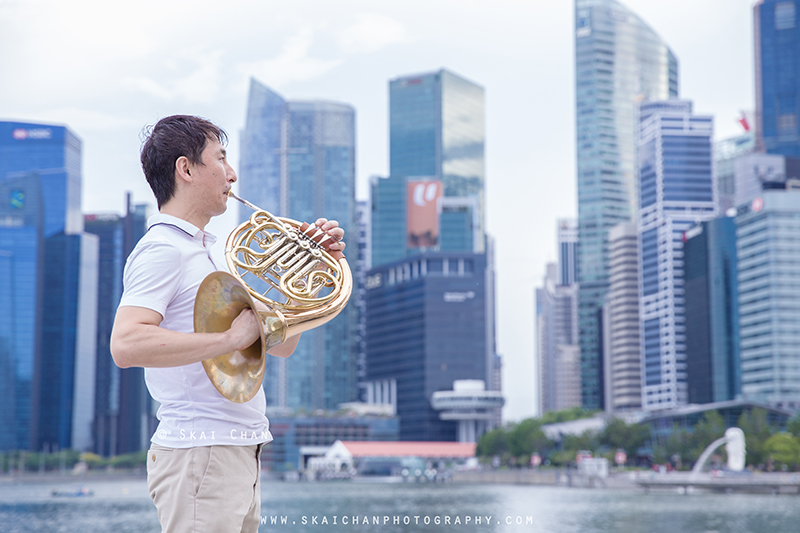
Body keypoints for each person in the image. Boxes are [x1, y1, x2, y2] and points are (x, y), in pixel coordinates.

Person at [109, 115, 345, 532]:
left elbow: (280, 344)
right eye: (220, 159)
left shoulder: (212, 254)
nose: (232, 174)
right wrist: (228, 338)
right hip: (201, 451)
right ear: (186, 169)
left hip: (237, 449)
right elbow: (126, 344)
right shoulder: (163, 249)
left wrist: (321, 268)